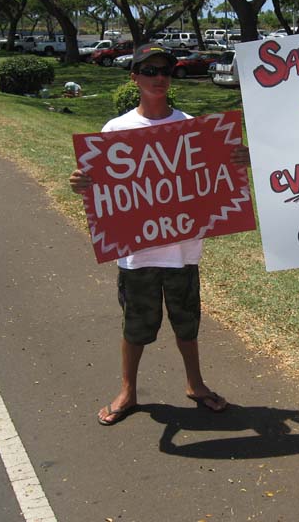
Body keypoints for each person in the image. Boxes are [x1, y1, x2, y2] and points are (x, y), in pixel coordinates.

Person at [69, 44, 251, 426]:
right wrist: (82, 183)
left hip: (183, 251)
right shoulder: (115, 131)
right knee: (136, 325)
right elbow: (102, 190)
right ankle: (128, 392)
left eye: (164, 70)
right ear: (134, 77)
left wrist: (239, 160)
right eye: (149, 70)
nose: (158, 77)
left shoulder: (191, 127)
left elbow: (216, 176)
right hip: (138, 254)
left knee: (187, 323)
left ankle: (195, 385)